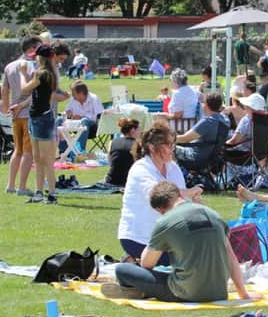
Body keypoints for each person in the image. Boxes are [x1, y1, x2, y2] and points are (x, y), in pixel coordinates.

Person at [103, 181, 252, 301]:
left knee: (122, 269)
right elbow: (231, 256)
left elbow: (146, 264)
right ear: (179, 195)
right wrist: (243, 294)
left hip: (185, 292)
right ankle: (139, 292)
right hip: (218, 291)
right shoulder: (212, 214)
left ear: (160, 210)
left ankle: (135, 291)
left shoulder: (165, 222)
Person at [117, 121, 203, 263]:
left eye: (173, 144)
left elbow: (181, 203)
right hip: (139, 237)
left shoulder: (173, 167)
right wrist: (188, 193)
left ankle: (134, 264)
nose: (172, 149)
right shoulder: (140, 169)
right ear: (152, 147)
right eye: (168, 145)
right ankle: (130, 264)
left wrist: (194, 205)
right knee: (186, 260)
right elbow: (159, 196)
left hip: (167, 236)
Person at [1, 35, 41, 196]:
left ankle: (11, 184)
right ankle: (22, 186)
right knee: (28, 152)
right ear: (32, 49)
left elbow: (4, 89)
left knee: (17, 150)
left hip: (14, 113)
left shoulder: (10, 66)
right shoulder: (35, 66)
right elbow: (37, 91)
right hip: (29, 112)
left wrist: (5, 106)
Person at [19, 44, 59, 204]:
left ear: (40, 58)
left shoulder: (41, 74)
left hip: (41, 119)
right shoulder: (51, 74)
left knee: (46, 159)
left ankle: (52, 194)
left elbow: (24, 89)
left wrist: (22, 74)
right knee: (38, 158)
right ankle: (39, 192)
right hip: (39, 117)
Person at [175, 92, 229, 168]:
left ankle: (171, 177)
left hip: (196, 157)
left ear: (206, 105)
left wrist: (167, 139)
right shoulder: (225, 120)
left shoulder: (208, 121)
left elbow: (185, 139)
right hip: (212, 157)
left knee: (167, 148)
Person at [58, 80, 104, 153]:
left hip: (92, 127)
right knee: (59, 120)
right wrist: (68, 113)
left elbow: (98, 116)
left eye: (74, 93)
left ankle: (80, 152)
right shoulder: (73, 99)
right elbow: (67, 109)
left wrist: (82, 116)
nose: (72, 95)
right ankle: (64, 151)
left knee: (84, 121)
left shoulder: (94, 98)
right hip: (75, 124)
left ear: (81, 93)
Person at [225, 93, 266, 159]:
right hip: (262, 153)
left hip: (244, 154)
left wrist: (224, 145)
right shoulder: (266, 119)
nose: (245, 106)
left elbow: (234, 141)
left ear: (250, 107)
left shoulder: (247, 120)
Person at [104, 118, 140, 187]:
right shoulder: (138, 144)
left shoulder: (112, 142)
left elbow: (110, 162)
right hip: (128, 180)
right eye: (139, 130)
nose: (140, 132)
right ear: (133, 130)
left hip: (111, 180)